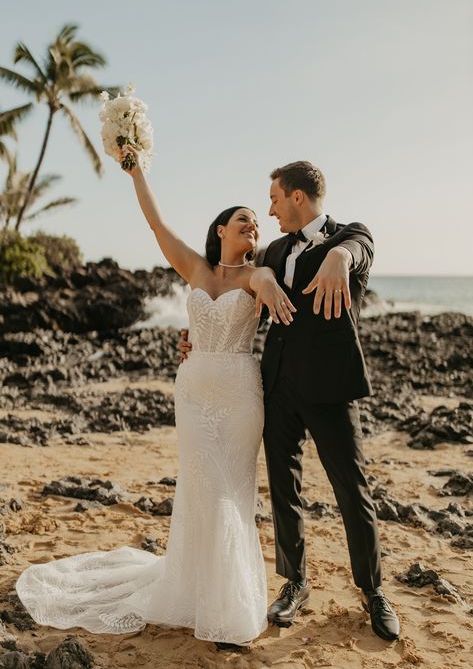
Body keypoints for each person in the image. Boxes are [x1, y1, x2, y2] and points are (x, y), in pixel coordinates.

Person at [15, 146, 295, 650]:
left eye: (257, 221)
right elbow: (155, 223)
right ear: (220, 232)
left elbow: (264, 277)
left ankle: (231, 607)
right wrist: (136, 170)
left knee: (231, 491)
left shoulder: (256, 276)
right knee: (200, 488)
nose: (254, 225)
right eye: (243, 220)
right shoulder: (196, 269)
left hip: (238, 397)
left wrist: (270, 280)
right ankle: (197, 593)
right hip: (191, 396)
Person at [180, 160, 401, 642]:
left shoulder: (350, 236)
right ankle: (295, 582)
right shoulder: (274, 250)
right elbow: (242, 302)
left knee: (352, 488)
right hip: (274, 387)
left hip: (332, 389)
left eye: (275, 198)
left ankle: (373, 589)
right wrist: (196, 338)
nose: (270, 208)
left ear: (298, 196)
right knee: (285, 489)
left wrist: (340, 256)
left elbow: (361, 247)